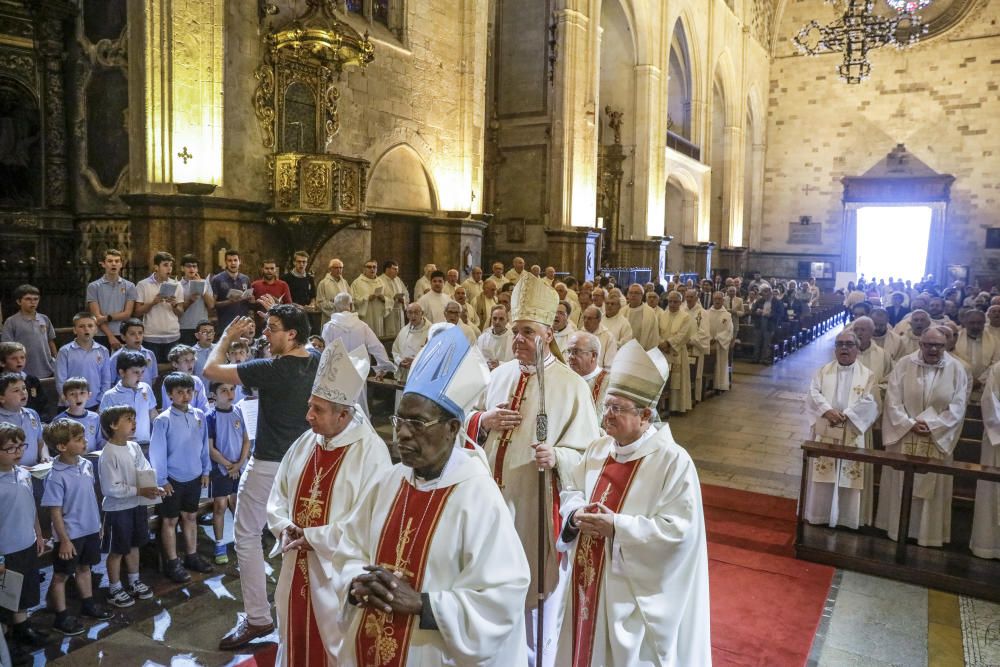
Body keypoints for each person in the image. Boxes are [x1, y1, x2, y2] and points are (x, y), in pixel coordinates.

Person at [334, 325, 530, 666]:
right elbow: (348, 549)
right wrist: (355, 583)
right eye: (399, 422)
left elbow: (504, 594)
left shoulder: (477, 495)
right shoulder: (389, 481)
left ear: (453, 429)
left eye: (418, 424)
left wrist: (425, 604)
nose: (403, 436)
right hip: (371, 640)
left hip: (431, 651)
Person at [466, 272, 600, 666]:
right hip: (490, 497)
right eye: (514, 330)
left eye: (527, 331)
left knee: (530, 589)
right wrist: (483, 420)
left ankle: (530, 657)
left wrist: (558, 457)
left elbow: (590, 455)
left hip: (533, 503)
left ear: (547, 335)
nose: (518, 338)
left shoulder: (570, 386)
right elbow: (467, 422)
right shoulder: (500, 374)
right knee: (486, 578)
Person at [556, 340, 711, 666]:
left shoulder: (673, 462)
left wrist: (617, 527)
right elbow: (571, 489)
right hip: (587, 579)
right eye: (607, 406)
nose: (607, 415)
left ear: (644, 415)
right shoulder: (598, 448)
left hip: (628, 593)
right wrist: (574, 514)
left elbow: (679, 534)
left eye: (617, 409)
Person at [267, 339, 392, 666]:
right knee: (294, 636)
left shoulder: (372, 454)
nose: (308, 416)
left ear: (344, 414)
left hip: (338, 575)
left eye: (318, 410)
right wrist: (283, 526)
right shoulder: (307, 441)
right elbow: (278, 491)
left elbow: (371, 521)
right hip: (297, 566)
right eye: (310, 405)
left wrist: (314, 537)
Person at [205, 305, 321, 650]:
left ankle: (258, 617)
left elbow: (210, 369)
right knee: (299, 535)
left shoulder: (270, 369)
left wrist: (227, 336)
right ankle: (306, 608)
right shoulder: (316, 359)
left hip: (270, 463)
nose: (265, 334)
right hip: (307, 461)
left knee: (245, 535)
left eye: (272, 328)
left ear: (292, 335)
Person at [876, 328, 969, 547]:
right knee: (901, 484)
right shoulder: (904, 364)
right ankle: (896, 530)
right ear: (920, 344)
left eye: (938, 345)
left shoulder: (956, 369)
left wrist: (934, 425)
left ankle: (928, 535)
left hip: (936, 438)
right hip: (905, 436)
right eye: (928, 344)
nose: (933, 349)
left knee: (933, 488)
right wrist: (909, 424)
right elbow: (892, 399)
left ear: (945, 345)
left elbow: (958, 406)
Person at [41, 420, 113, 636]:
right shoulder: (55, 475)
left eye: (84, 438)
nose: (85, 442)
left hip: (89, 529)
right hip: (70, 535)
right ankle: (61, 616)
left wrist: (98, 524)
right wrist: (63, 540)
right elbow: (55, 512)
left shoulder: (86, 464)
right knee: (61, 575)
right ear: (62, 446)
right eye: (79, 439)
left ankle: (88, 604)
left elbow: (90, 498)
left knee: (85, 568)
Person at [803, 331, 879, 528]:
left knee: (850, 475)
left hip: (852, 430)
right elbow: (812, 394)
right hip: (826, 429)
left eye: (849, 344)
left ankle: (847, 517)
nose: (844, 348)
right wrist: (827, 411)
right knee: (823, 471)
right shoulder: (823, 371)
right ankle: (819, 514)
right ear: (835, 348)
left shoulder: (868, 375)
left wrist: (848, 415)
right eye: (840, 344)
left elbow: (871, 402)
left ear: (857, 348)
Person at [150, 372, 212, 582]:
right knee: (169, 520)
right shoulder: (162, 420)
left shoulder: (199, 415)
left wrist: (205, 470)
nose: (186, 396)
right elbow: (157, 453)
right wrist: (162, 480)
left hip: (194, 475)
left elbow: (204, 445)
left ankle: (191, 555)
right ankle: (172, 562)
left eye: (189, 391)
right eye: (180, 392)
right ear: (169, 395)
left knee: (190, 516)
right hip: (172, 479)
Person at [98, 406, 160, 608]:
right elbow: (110, 488)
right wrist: (139, 491)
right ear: (113, 425)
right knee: (117, 550)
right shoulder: (108, 453)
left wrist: (154, 487)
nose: (134, 423)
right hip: (117, 509)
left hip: (136, 505)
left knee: (134, 545)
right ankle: (114, 587)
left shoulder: (133, 447)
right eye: (128, 419)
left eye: (134, 418)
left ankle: (134, 581)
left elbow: (145, 470)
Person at [0, 423, 47, 655]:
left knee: (25, 589)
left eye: (21, 446)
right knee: (6, 598)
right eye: (11, 448)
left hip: (26, 542)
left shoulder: (23, 473)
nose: (18, 451)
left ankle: (23, 628)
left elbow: (31, 508)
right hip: (5, 550)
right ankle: (7, 641)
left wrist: (38, 533)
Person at [321, 293, 395, 415]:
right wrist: (383, 368)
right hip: (358, 372)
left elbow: (325, 353)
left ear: (335, 307)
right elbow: (376, 346)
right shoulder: (362, 326)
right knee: (358, 407)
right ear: (351, 305)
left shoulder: (329, 327)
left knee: (338, 410)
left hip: (336, 373)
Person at [206, 381, 250, 565]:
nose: (229, 393)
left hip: (239, 467)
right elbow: (210, 448)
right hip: (221, 469)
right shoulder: (210, 416)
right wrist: (228, 466)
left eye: (232, 389)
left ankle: (241, 541)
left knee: (238, 504)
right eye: (223, 390)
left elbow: (246, 440)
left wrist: (239, 464)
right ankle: (219, 543)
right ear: (214, 395)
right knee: (220, 506)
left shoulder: (239, 411)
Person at [99, 351, 158, 448]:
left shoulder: (146, 388)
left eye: (142, 372)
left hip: (145, 443)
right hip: (123, 446)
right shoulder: (110, 395)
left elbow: (153, 414)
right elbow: (104, 426)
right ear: (122, 372)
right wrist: (117, 441)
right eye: (136, 372)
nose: (140, 376)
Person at [971, 362, 1000, 559]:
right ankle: (988, 546)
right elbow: (990, 401)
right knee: (991, 493)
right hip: (997, 441)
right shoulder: (998, 369)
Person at [1, 284, 56, 379]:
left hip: (47, 368)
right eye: (28, 299)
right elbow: (7, 347)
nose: (33, 302)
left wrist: (56, 359)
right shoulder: (11, 321)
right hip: (24, 370)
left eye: (36, 299)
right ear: (19, 301)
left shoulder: (44, 318)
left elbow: (50, 341)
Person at [86, 249, 137, 351]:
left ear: (121, 264)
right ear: (103, 264)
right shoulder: (93, 286)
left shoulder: (130, 286)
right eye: (110, 261)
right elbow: (96, 317)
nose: (114, 264)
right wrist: (110, 336)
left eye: (117, 261)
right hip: (101, 334)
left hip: (123, 334)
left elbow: (127, 314)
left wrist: (106, 318)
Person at [56, 312, 109, 408]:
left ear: (96, 329)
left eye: (90, 326)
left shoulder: (103, 351)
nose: (86, 329)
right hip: (71, 404)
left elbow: (106, 380)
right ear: (75, 330)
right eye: (81, 326)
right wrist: (68, 402)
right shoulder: (65, 351)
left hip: (95, 403)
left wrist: (101, 401)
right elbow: (60, 381)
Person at [658, 291, 693, 414]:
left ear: (680, 302)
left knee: (677, 380)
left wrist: (668, 343)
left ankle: (676, 406)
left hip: (677, 352)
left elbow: (683, 335)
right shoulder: (662, 315)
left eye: (675, 302)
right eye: (670, 301)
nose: (672, 304)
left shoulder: (685, 317)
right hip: (662, 353)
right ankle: (662, 406)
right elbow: (657, 332)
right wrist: (662, 343)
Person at [0, 372, 45, 468]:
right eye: (16, 390)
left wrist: (45, 456)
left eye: (24, 388)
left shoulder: (32, 414)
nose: (23, 392)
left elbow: (40, 440)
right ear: (2, 398)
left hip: (35, 469)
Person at [953, 308, 998, 402]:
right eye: (972, 322)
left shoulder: (994, 340)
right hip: (959, 384)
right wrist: (968, 380)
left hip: (985, 386)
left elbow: (996, 363)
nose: (976, 326)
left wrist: (981, 380)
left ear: (985, 323)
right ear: (965, 323)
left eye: (979, 323)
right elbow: (952, 360)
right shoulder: (955, 339)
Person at [565, 330, 609, 417]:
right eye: (569, 351)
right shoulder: (563, 377)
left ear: (593, 356)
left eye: (576, 352)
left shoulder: (608, 383)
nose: (570, 357)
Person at [53, 378, 103, 453]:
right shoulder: (59, 420)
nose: (78, 397)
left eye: (82, 393)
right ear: (65, 397)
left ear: (89, 395)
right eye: (72, 394)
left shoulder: (95, 417)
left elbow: (100, 442)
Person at [0, 342, 48, 418]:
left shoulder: (32, 380)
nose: (19, 361)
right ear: (2, 362)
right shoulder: (1, 383)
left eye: (22, 357)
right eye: (14, 358)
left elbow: (42, 404)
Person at [177, 255, 215, 345]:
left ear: (197, 269)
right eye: (188, 266)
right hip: (185, 327)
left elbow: (211, 305)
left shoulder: (205, 283)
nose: (192, 269)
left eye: (194, 266)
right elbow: (178, 310)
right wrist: (190, 301)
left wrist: (201, 288)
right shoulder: (178, 285)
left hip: (203, 328)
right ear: (182, 268)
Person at [211, 249, 254, 330]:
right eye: (230, 260)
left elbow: (250, 303)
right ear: (226, 262)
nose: (233, 263)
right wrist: (229, 301)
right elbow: (212, 305)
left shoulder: (245, 279)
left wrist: (251, 299)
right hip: (225, 324)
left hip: (243, 324)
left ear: (239, 261)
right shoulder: (217, 279)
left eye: (235, 260)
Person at [683, 289, 711, 402]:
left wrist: (691, 341)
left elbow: (704, 332)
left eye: (691, 297)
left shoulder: (702, 313)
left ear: (696, 298)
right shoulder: (681, 309)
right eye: (687, 297)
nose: (689, 299)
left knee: (695, 374)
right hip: (682, 347)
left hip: (695, 347)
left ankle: (694, 398)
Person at [392, 303, 430, 386]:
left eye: (416, 312)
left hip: (421, 377)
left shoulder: (431, 331)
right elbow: (395, 351)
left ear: (422, 314)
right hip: (404, 375)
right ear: (406, 314)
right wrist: (400, 361)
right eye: (410, 312)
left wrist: (415, 362)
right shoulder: (403, 331)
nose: (413, 315)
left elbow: (434, 356)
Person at [750, 285, 785, 364]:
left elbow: (781, 314)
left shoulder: (777, 302)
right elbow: (752, 311)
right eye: (763, 293)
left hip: (770, 324)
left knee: (767, 343)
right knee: (757, 342)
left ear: (770, 291)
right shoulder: (760, 301)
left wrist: (770, 315)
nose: (765, 294)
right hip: (759, 323)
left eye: (766, 292)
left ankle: (764, 359)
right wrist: (756, 312)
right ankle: (755, 358)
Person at [706, 291, 734, 392]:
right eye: (715, 299)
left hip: (720, 344)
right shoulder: (706, 313)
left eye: (719, 299)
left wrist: (717, 338)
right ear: (712, 300)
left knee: (720, 364)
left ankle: (720, 385)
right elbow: (703, 328)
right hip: (708, 343)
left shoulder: (727, 315)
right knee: (708, 364)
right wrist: (709, 338)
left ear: (723, 300)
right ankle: (708, 383)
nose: (717, 301)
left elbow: (729, 331)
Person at [251, 259, 293, 324]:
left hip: (277, 323)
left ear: (275, 269)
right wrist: (253, 302)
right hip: (258, 323)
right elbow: (250, 306)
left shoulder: (283, 285)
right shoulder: (255, 285)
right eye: (267, 268)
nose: (269, 271)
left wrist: (278, 304)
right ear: (262, 269)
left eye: (272, 268)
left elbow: (289, 305)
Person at [478, 304, 514, 370]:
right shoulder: (483, 338)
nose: (497, 322)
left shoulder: (513, 339)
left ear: (507, 320)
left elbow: (516, 364)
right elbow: (477, 359)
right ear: (491, 319)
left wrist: (500, 364)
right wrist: (486, 364)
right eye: (494, 318)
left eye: (501, 319)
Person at [379, 259, 409, 339]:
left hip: (399, 310)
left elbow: (405, 292)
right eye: (395, 269)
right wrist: (393, 299)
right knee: (389, 334)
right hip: (388, 312)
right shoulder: (380, 280)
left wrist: (404, 300)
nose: (397, 271)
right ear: (387, 269)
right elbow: (379, 296)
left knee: (400, 334)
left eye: (397, 269)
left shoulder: (398, 280)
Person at [581, 306, 617, 370]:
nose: (586, 321)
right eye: (584, 318)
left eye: (589, 318)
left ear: (599, 320)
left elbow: (609, 365)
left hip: (598, 375)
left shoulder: (608, 337)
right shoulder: (579, 334)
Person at [625, 284, 659, 350]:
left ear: (642, 295)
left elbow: (654, 335)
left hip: (644, 350)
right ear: (628, 295)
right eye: (631, 293)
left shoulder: (650, 312)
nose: (633, 295)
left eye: (636, 293)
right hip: (625, 350)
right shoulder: (623, 311)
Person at [316, 258, 350, 324]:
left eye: (341, 268)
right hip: (330, 318)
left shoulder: (344, 283)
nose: (339, 270)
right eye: (336, 268)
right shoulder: (323, 283)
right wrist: (335, 305)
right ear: (330, 269)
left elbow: (350, 299)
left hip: (344, 317)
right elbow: (319, 303)